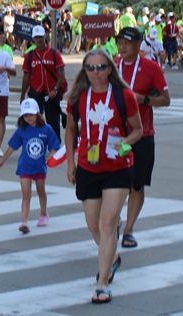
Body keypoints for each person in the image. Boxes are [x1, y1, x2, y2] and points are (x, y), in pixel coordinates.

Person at [65, 48, 143, 304]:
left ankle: (103, 282)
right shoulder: (77, 97)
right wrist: (70, 163)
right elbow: (70, 129)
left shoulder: (124, 96)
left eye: (100, 67)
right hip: (88, 166)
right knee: (93, 225)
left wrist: (125, 141)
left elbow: (137, 130)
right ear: (84, 71)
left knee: (108, 224)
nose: (95, 72)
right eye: (90, 67)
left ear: (110, 69)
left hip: (118, 167)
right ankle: (112, 256)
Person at [114, 27, 171, 248]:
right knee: (114, 182)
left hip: (142, 134)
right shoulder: (111, 66)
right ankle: (115, 219)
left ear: (139, 45)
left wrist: (143, 100)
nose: (122, 46)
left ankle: (128, 230)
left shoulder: (151, 67)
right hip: (113, 135)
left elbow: (165, 99)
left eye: (127, 43)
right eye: (120, 42)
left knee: (137, 184)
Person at [0, 98, 59, 234]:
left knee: (41, 191)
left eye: (31, 114)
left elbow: (55, 146)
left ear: (37, 113)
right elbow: (13, 146)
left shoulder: (46, 129)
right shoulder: (22, 130)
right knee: (26, 194)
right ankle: (24, 222)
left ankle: (43, 213)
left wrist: (50, 158)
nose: (28, 118)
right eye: (25, 115)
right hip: (25, 167)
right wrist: (3, 160)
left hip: (40, 167)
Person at [20, 25, 66, 143]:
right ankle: (35, 142)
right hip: (35, 93)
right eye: (36, 38)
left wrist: (55, 89)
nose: (39, 40)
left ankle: (55, 145)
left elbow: (61, 74)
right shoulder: (29, 56)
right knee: (33, 121)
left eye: (40, 37)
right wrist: (22, 95)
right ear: (33, 39)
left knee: (53, 121)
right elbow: (26, 76)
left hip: (51, 93)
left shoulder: (54, 53)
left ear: (45, 36)